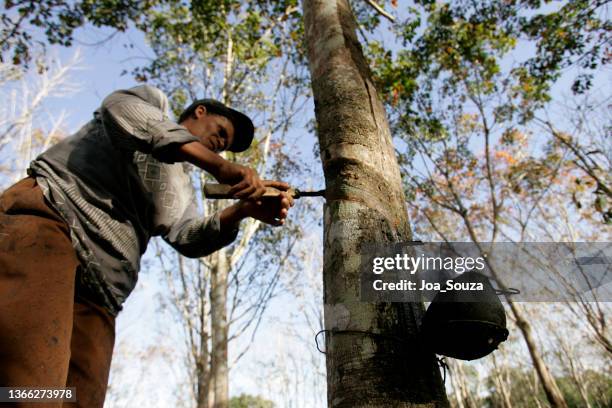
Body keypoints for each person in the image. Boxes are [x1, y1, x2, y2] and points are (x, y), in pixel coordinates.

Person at [0, 85, 294, 407]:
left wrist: (243, 210)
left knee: (76, 398)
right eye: (221, 132)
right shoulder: (152, 103)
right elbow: (122, 110)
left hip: (103, 291)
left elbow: (188, 235)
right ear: (200, 112)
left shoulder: (181, 186)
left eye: (225, 148)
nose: (221, 145)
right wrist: (220, 168)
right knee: (28, 388)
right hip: (53, 223)